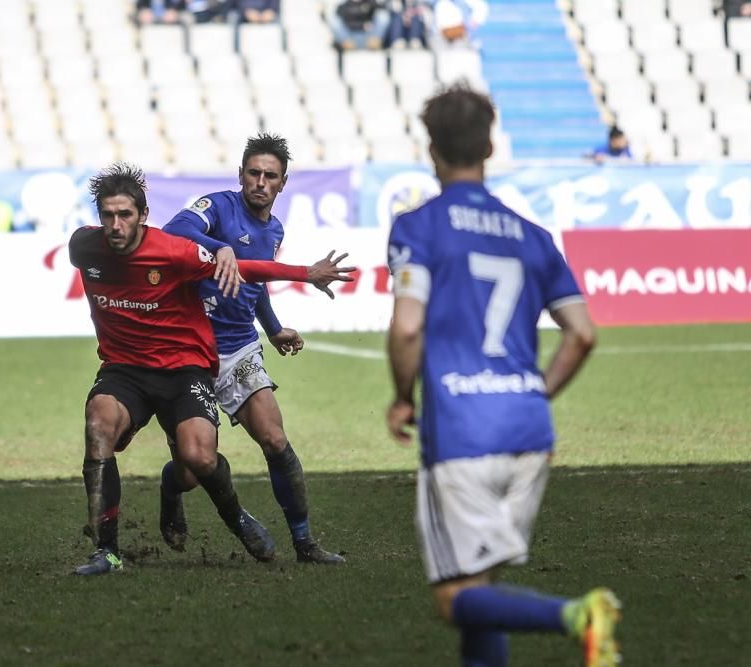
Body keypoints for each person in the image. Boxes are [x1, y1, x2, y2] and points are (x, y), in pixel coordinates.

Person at [385, 84, 620, 667]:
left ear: (432, 150)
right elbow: (583, 333)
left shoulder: (419, 227)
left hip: (463, 431)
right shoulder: (533, 235)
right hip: (528, 430)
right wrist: (535, 392)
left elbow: (407, 328)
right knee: (480, 583)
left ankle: (576, 615)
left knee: (454, 597)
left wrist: (401, 397)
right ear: (489, 146)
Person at [68, 163, 355, 576]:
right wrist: (221, 246)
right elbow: (189, 227)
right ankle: (106, 551)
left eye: (125, 215)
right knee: (98, 427)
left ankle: (239, 517)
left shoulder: (173, 251)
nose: (115, 225)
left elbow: (247, 270)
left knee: (198, 460)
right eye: (107, 215)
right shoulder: (85, 246)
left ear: (143, 216)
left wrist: (302, 275)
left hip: (185, 368)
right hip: (125, 369)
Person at [156, 133, 345, 565]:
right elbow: (174, 232)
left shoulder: (274, 229)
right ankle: (170, 493)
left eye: (270, 176)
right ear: (240, 175)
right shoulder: (218, 207)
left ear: (282, 184)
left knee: (276, 440)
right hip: (189, 355)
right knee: (189, 469)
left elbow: (253, 283)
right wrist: (218, 246)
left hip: (240, 348)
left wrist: (274, 329)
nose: (260, 181)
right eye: (253, 173)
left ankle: (305, 544)